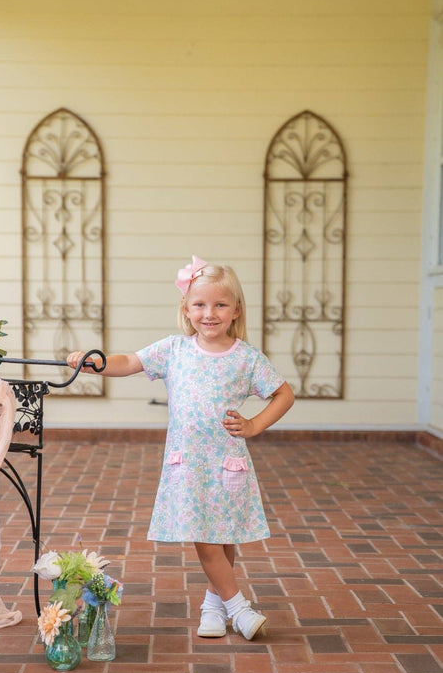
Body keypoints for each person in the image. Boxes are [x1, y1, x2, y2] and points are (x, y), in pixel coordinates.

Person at [67, 255, 294, 640]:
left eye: (220, 305)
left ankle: (211, 607)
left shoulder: (246, 358)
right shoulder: (174, 350)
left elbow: (284, 395)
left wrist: (254, 424)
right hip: (188, 464)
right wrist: (98, 363)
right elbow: (129, 361)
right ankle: (238, 608)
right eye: (200, 305)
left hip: (227, 462)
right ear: (186, 310)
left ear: (236, 310)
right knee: (204, 540)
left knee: (224, 538)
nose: (210, 313)